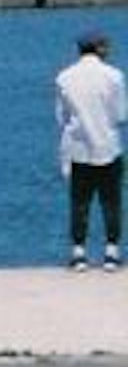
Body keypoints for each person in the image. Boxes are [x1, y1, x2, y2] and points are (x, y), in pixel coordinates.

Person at [57, 32, 124, 270]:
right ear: (99, 48)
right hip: (108, 146)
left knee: (80, 201)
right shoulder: (114, 76)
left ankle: (78, 253)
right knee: (111, 201)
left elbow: (61, 117)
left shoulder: (64, 77)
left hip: (78, 148)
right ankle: (111, 252)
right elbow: (120, 115)